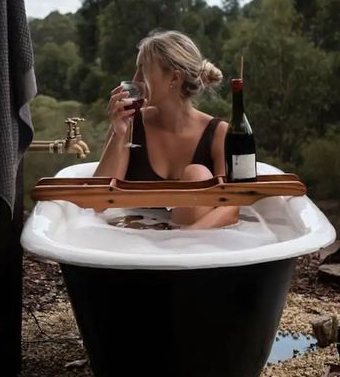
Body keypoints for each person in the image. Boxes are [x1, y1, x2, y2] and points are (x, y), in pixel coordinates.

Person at [94, 30, 239, 229]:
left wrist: (176, 244)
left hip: (192, 250)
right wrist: (118, 136)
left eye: (143, 70)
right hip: (136, 245)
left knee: (197, 174)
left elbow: (231, 208)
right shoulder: (130, 124)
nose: (135, 78)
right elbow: (97, 203)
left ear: (174, 78)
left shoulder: (218, 134)